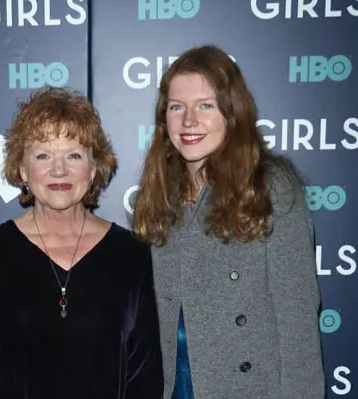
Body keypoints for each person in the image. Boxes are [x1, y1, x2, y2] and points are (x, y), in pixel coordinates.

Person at [133, 45, 324, 398]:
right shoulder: (157, 194)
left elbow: (297, 319)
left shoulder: (270, 187)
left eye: (205, 105)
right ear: (163, 118)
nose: (189, 121)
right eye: (177, 107)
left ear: (232, 113)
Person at [0, 87, 163, 398]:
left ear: (93, 168)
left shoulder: (132, 255)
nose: (59, 170)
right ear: (23, 169)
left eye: (73, 155)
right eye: (43, 155)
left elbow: (145, 377)